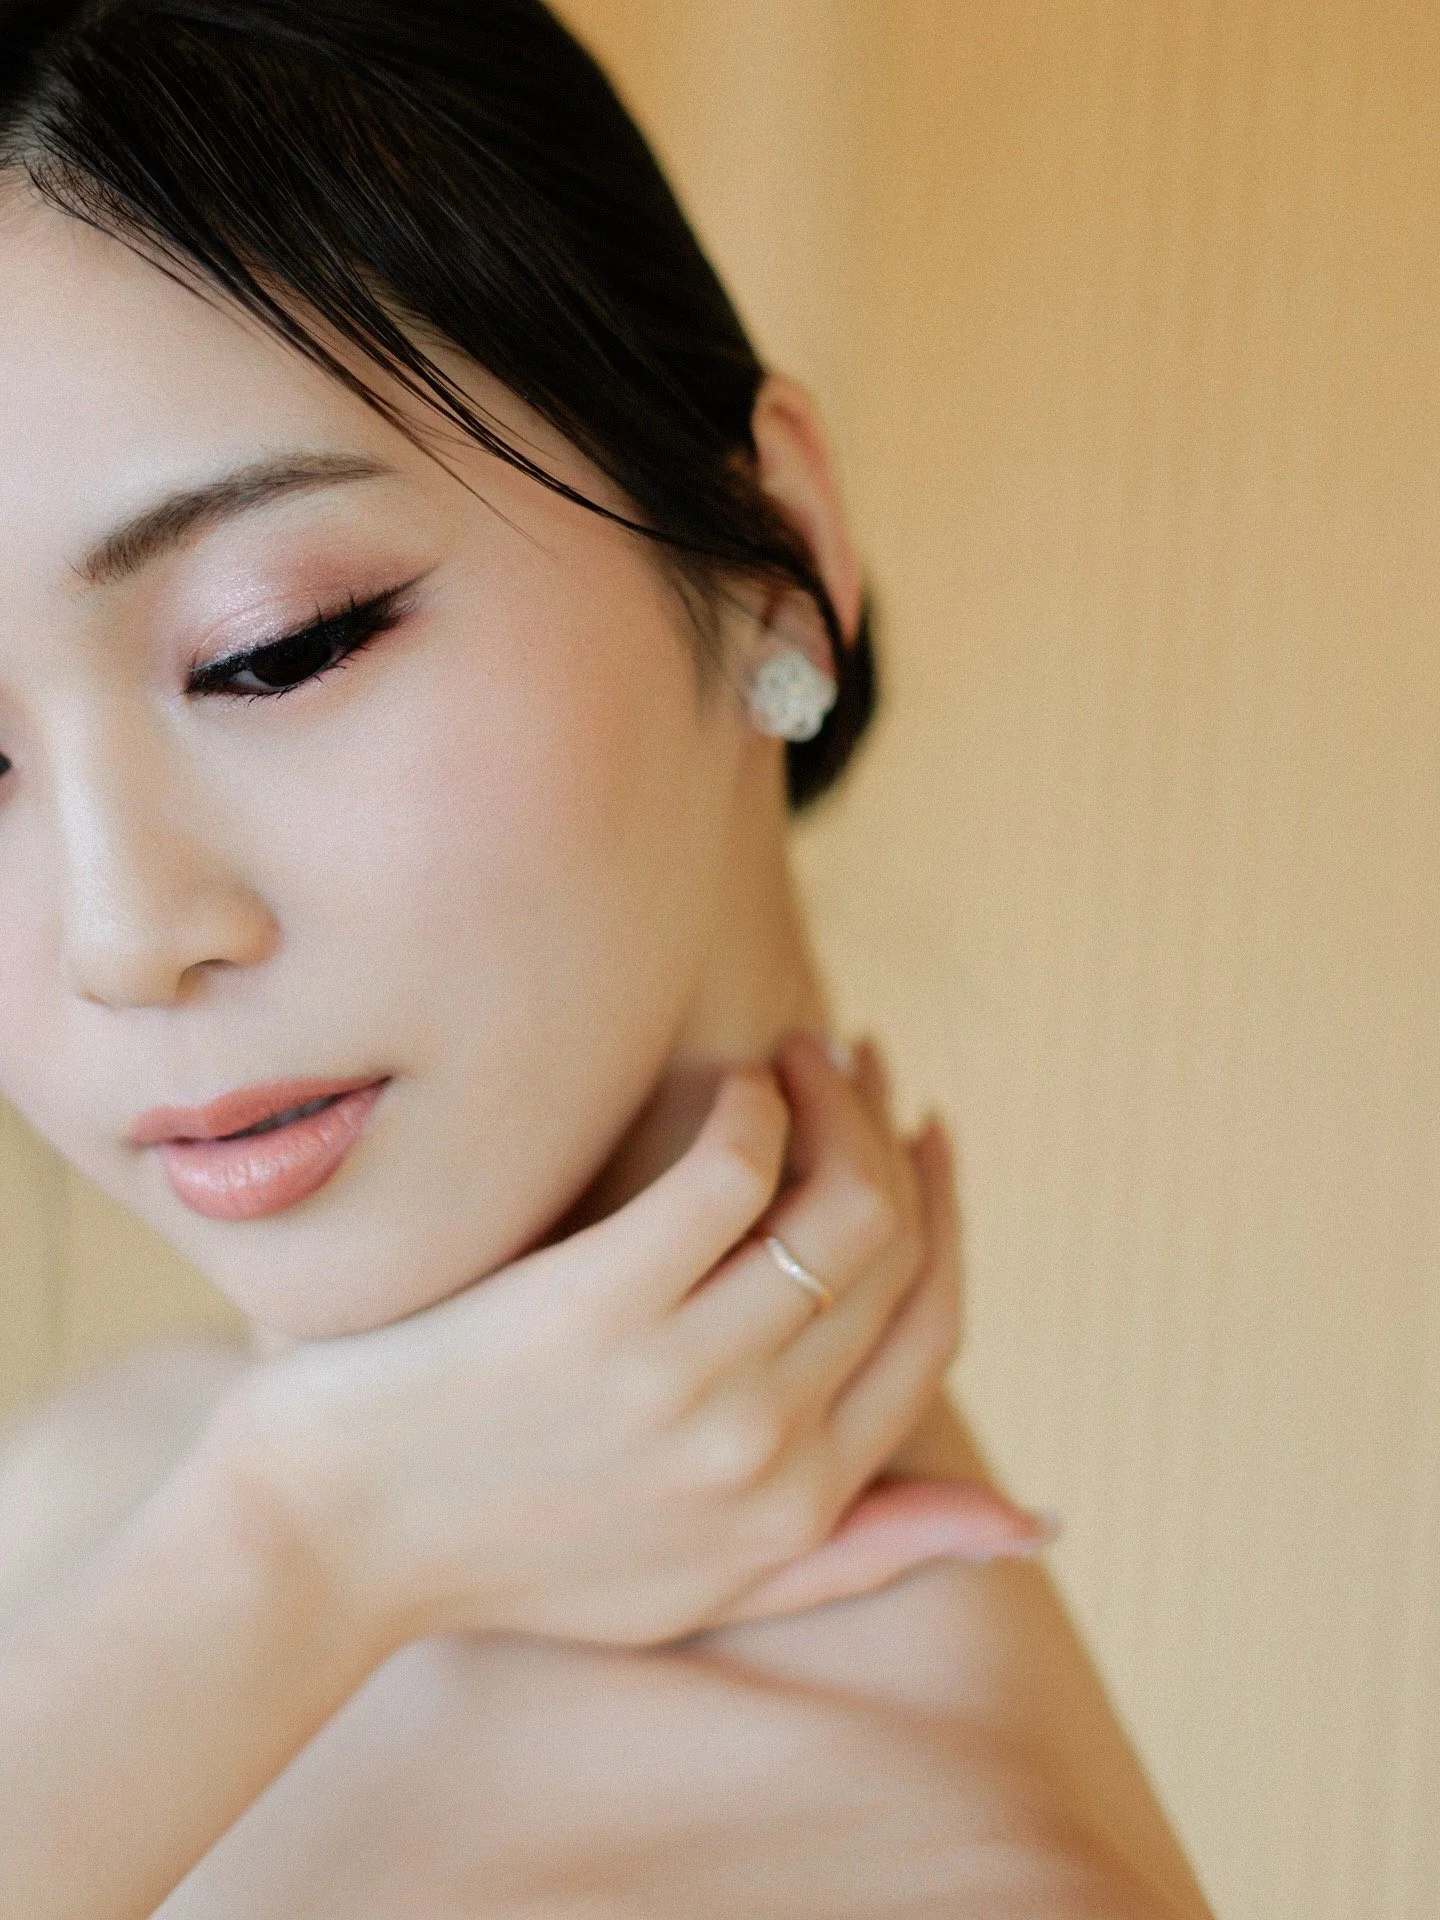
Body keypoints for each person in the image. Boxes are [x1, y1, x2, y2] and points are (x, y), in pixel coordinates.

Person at [0, 2, 1214, 1914]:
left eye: (278, 644)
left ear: (775, 550)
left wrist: (306, 1548)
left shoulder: (934, 1878)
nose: (120, 939)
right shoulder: (101, 1490)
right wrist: (305, 1547)